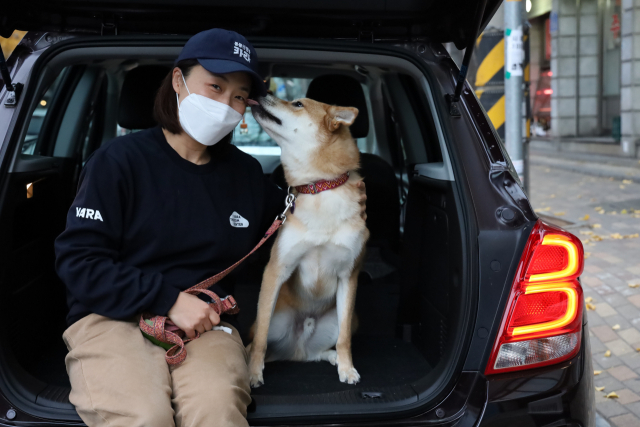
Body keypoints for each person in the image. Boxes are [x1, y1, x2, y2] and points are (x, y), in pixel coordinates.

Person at [54, 29, 366, 427]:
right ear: (178, 81)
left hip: (208, 322)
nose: (226, 104)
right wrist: (168, 299)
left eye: (238, 96)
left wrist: (339, 194)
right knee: (143, 416)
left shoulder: (246, 174)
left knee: (217, 410)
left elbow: (292, 230)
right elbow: (79, 263)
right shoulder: (116, 163)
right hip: (112, 318)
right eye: (215, 87)